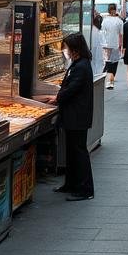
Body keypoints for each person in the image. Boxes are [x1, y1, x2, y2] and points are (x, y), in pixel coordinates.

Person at [44, 32, 94, 201]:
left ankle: (85, 189)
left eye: (67, 48)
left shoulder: (82, 66)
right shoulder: (79, 64)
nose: (66, 51)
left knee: (79, 152)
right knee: (71, 152)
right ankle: (71, 184)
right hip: (73, 115)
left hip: (77, 116)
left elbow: (73, 88)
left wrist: (57, 98)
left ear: (75, 49)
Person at [99, 4, 124, 90]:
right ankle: (110, 82)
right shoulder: (119, 21)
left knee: (107, 62)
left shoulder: (105, 20)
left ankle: (105, 78)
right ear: (115, 10)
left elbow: (102, 32)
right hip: (115, 44)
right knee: (114, 63)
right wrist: (122, 45)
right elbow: (121, 34)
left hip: (106, 44)